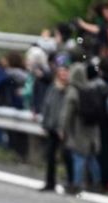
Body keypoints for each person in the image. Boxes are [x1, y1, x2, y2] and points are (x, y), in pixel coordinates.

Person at [60, 63, 102, 192]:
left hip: (79, 128)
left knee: (78, 156)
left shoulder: (73, 91)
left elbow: (67, 114)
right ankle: (96, 183)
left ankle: (76, 184)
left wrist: (63, 129)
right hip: (93, 128)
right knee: (91, 157)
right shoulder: (90, 88)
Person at [41, 63, 71, 192]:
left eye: (65, 72)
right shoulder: (53, 88)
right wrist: (45, 124)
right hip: (52, 127)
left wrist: (63, 127)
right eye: (61, 72)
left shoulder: (70, 89)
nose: (63, 74)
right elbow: (46, 105)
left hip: (65, 129)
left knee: (67, 156)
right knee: (50, 156)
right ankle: (50, 182)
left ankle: (70, 182)